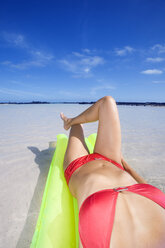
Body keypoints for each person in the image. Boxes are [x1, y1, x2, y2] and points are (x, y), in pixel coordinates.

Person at [60, 96, 165, 248]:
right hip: (112, 161)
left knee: (78, 128)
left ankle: (70, 124)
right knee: (107, 103)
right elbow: (144, 185)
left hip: (78, 167)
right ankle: (70, 121)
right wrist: (124, 164)